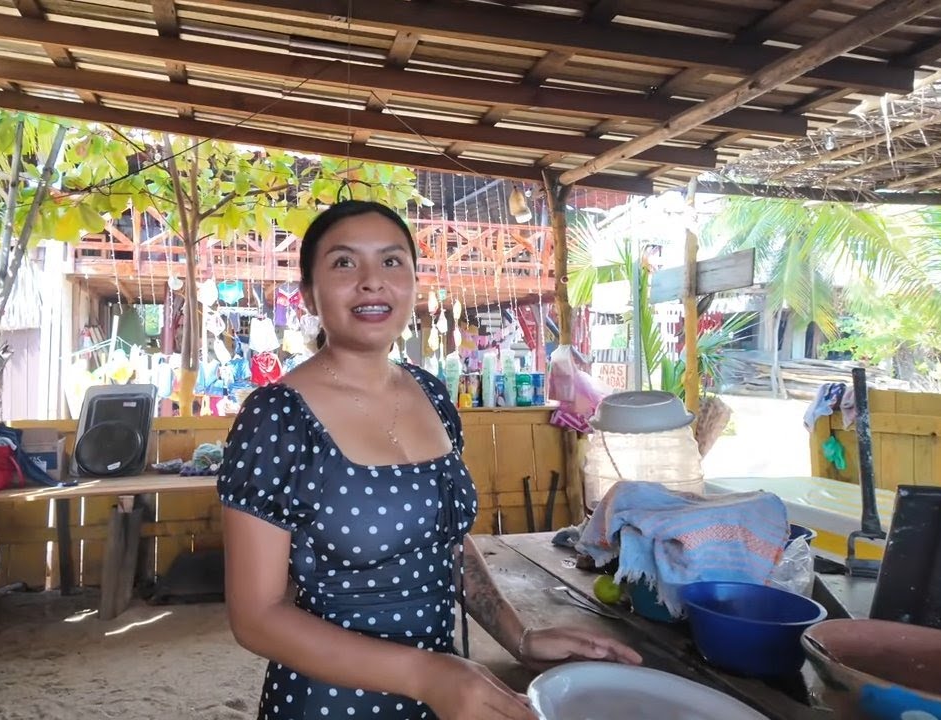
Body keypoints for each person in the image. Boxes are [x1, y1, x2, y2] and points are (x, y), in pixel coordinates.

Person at [218, 200, 641, 720]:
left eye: (392, 262)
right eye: (345, 263)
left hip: (446, 693)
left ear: (414, 283)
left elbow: (445, 544)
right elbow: (256, 617)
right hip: (331, 702)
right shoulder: (277, 417)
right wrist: (427, 675)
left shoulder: (431, 393)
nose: (372, 281)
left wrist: (520, 637)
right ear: (308, 294)